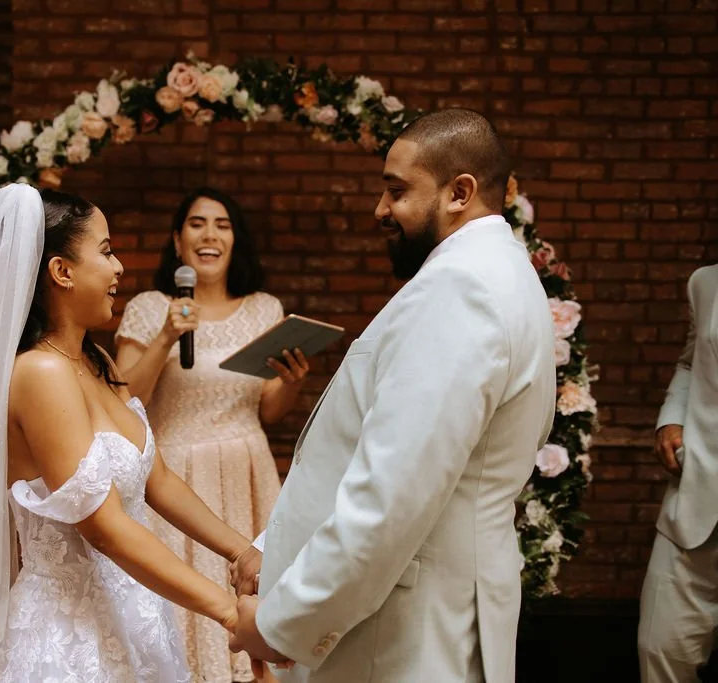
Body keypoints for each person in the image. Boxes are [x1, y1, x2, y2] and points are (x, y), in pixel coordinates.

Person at [228, 108, 557, 682]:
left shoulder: (461, 289)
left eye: (396, 191)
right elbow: (364, 455)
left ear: (460, 193)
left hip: (403, 635)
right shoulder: (494, 271)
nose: (380, 210)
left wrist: (282, 622)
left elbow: (391, 495)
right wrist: (275, 547)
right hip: (419, 613)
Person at [0, 184, 261, 682]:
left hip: (135, 623)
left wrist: (242, 551)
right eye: (106, 250)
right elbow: (104, 527)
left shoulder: (96, 362)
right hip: (67, 643)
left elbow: (157, 478)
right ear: (62, 271)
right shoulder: (39, 373)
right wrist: (228, 611)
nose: (118, 268)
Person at [115, 187, 309, 682]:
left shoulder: (265, 308)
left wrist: (292, 381)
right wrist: (165, 337)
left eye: (222, 224)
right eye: (197, 223)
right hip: (175, 476)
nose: (210, 234)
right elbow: (122, 399)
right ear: (177, 241)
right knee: (181, 608)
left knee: (258, 592)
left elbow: (269, 411)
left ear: (235, 240)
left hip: (248, 470)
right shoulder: (149, 306)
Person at [638, 263, 718, 682]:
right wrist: (672, 417)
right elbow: (691, 363)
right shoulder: (704, 283)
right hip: (695, 498)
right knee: (660, 646)